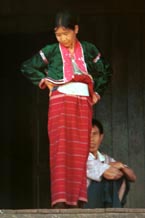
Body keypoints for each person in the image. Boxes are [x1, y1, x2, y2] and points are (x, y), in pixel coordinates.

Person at [20, 10, 112, 208]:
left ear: (76, 29)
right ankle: (60, 200)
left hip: (83, 103)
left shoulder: (88, 49)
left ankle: (78, 200)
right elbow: (28, 66)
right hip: (60, 102)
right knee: (61, 148)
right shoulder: (52, 50)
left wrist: (98, 92)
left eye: (66, 33)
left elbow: (106, 70)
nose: (62, 38)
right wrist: (44, 81)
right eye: (58, 34)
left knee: (80, 148)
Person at [84, 118, 136, 208]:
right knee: (109, 178)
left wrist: (121, 166)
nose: (91, 139)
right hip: (88, 202)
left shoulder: (105, 158)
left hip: (103, 202)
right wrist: (112, 167)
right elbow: (110, 174)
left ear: (101, 137)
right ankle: (115, 210)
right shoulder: (82, 158)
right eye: (87, 134)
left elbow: (133, 177)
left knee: (123, 177)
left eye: (94, 134)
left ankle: (114, 210)